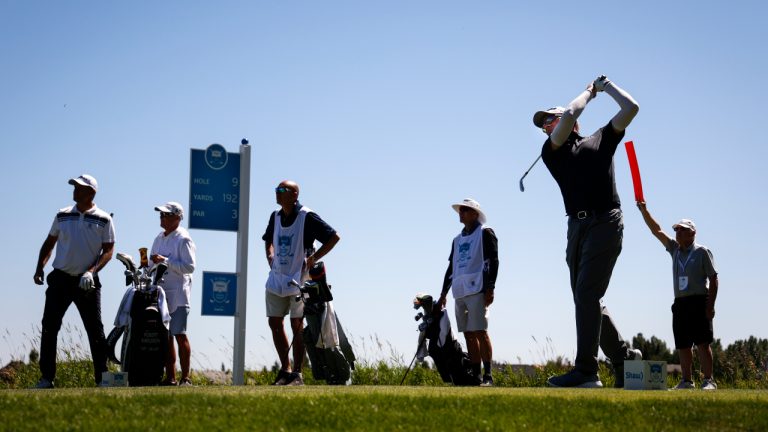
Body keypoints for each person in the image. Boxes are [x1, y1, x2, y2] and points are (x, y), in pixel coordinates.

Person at [534, 76, 641, 388]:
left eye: (548, 121)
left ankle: (586, 372)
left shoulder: (601, 139)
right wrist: (589, 93)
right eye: (544, 126)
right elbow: (569, 115)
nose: (546, 128)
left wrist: (602, 89)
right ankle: (623, 358)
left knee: (587, 294)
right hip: (576, 227)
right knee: (586, 298)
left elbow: (631, 107)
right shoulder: (551, 151)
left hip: (606, 221)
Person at [32, 174, 115, 388]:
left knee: (95, 329)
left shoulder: (104, 218)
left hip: (86, 282)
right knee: (49, 327)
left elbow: (108, 251)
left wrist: (91, 271)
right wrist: (39, 267)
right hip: (60, 279)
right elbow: (49, 243)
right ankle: (46, 378)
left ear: (91, 193)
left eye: (80, 187)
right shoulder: (62, 215)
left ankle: (102, 378)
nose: (75, 190)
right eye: (75, 187)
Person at [262, 180, 340, 386]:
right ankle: (285, 369)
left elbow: (333, 237)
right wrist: (270, 255)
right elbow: (268, 239)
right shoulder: (275, 216)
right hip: (277, 277)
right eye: (276, 190)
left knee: (297, 324)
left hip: (300, 278)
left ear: (294, 194)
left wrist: (314, 258)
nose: (277, 193)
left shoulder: (307, 216)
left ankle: (297, 373)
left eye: (282, 190)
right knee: (274, 323)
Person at [637, 203, 719, 390]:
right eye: (677, 230)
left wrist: (710, 305)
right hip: (680, 303)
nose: (678, 233)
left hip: (699, 301)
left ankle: (709, 380)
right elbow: (656, 230)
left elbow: (714, 278)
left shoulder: (702, 252)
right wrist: (644, 211)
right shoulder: (674, 249)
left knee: (702, 343)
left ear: (692, 233)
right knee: (683, 344)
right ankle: (687, 381)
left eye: (683, 230)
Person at [438, 198, 499, 386]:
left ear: (475, 213)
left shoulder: (485, 233)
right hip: (460, 291)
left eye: (465, 210)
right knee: (467, 333)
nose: (461, 213)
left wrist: (490, 287)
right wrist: (443, 294)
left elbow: (493, 261)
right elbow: (451, 268)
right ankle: (476, 375)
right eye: (460, 210)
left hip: (478, 288)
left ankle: (488, 376)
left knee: (481, 331)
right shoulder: (456, 240)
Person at [150, 202, 196, 387]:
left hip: (178, 293)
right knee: (166, 337)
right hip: (161, 291)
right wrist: (147, 263)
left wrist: (165, 261)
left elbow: (189, 266)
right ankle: (171, 377)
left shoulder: (184, 239)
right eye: (161, 214)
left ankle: (185, 378)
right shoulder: (159, 238)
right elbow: (154, 263)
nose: (162, 217)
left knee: (179, 334)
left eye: (166, 215)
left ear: (177, 217)